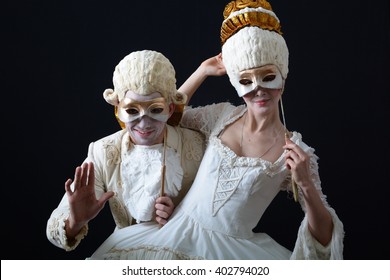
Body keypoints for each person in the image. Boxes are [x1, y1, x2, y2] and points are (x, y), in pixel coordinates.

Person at [88, 0, 344, 259]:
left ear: (283, 76)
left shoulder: (295, 151)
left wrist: (306, 185)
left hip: (232, 254)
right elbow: (167, 115)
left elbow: (323, 239)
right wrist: (202, 71)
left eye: (268, 77)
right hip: (172, 236)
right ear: (235, 82)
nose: (258, 89)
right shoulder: (221, 117)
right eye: (245, 80)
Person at [46, 50, 206, 252]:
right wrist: (75, 222)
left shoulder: (198, 145)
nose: (144, 123)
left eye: (155, 110)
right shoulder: (103, 151)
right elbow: (53, 231)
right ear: (118, 109)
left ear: (170, 109)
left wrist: (182, 216)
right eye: (132, 110)